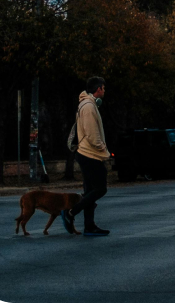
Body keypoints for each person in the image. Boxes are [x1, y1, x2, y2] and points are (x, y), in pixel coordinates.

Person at [61, 77, 111, 237]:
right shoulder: (88, 106)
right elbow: (92, 134)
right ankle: (70, 212)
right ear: (98, 89)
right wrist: (103, 149)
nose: (104, 91)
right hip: (90, 154)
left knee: (90, 191)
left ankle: (89, 226)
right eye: (103, 88)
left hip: (86, 153)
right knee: (100, 189)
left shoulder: (88, 104)